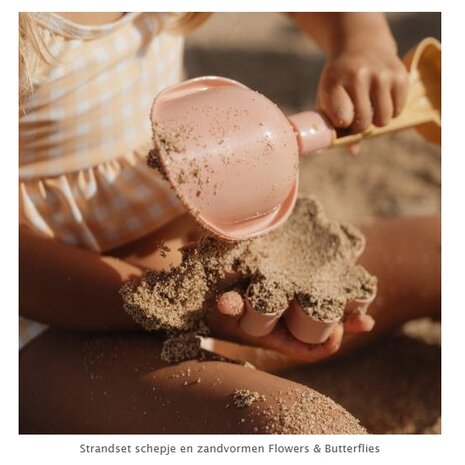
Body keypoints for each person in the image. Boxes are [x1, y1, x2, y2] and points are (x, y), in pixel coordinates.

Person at [19, 12, 438, 433]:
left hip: (204, 274)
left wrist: (359, 38)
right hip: (48, 322)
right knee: (301, 430)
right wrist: (182, 306)